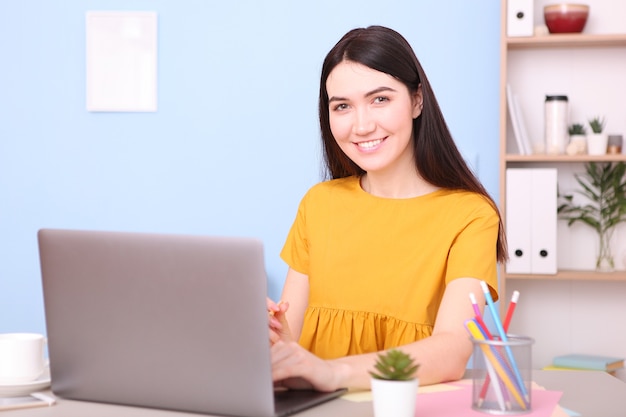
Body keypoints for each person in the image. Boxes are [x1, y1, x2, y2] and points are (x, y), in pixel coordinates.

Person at [268, 25, 507, 392]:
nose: (361, 125)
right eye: (342, 106)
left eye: (380, 99)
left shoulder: (470, 215)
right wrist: (272, 337)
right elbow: (293, 342)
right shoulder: (319, 204)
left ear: (416, 100)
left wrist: (335, 373)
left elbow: (452, 352)